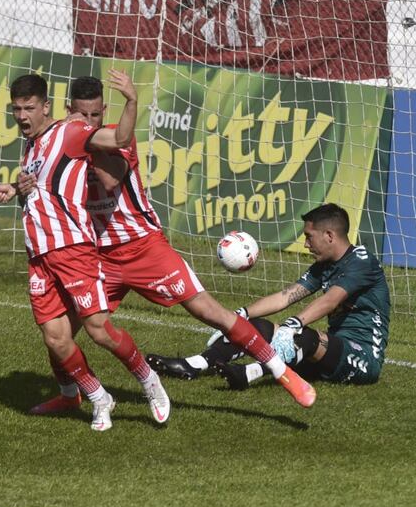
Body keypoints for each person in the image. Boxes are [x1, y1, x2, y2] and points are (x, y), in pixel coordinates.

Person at [24, 73, 316, 413]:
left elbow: (110, 178)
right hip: (96, 254)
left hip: (144, 247)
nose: (89, 122)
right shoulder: (59, 140)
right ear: (68, 109)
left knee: (211, 312)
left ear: (104, 110)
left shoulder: (113, 138)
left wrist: (84, 138)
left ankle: (283, 372)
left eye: (95, 115)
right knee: (58, 333)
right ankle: (69, 394)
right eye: (82, 115)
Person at [0, 70, 170, 431]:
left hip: (73, 249)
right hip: (40, 255)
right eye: (16, 109)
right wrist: (16, 188)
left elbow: (119, 138)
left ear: (46, 107)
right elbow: (41, 189)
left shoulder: (70, 133)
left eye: (28, 108)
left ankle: (150, 381)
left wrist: (132, 100)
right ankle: (99, 397)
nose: (22, 116)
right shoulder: (31, 146)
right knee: (56, 339)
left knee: (99, 330)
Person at [146, 203, 391, 390]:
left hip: (362, 359)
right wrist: (241, 315)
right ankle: (193, 365)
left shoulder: (361, 262)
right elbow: (286, 297)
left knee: (303, 336)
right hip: (329, 355)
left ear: (329, 235)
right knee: (254, 327)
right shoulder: (325, 264)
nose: (306, 244)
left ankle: (248, 374)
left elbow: (331, 301)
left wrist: (293, 324)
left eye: (309, 236)